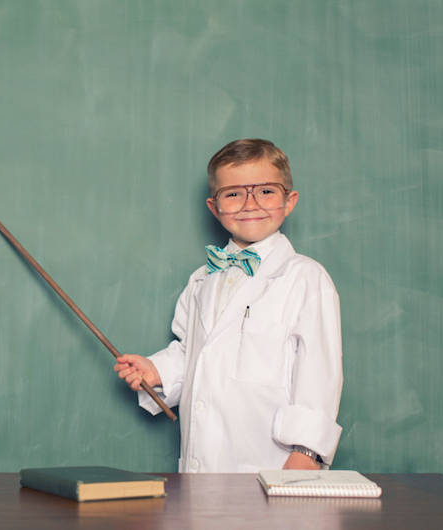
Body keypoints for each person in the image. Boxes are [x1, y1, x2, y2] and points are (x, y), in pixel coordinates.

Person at [114, 139, 343, 472]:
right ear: (214, 206)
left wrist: (305, 455)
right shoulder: (201, 280)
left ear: (289, 201)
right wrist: (157, 372)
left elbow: (320, 372)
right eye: (233, 193)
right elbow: (194, 352)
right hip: (203, 461)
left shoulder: (305, 278)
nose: (250, 204)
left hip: (273, 463)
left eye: (266, 191)